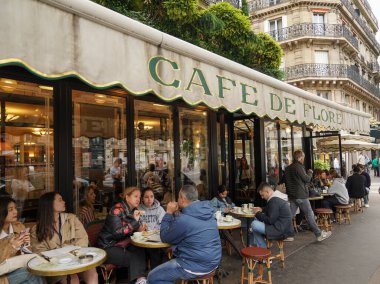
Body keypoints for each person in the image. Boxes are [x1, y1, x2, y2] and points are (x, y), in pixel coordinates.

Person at [147, 185, 221, 283]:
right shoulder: (208, 212)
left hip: (194, 265)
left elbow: (164, 237)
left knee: (152, 277)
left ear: (182, 198)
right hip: (214, 262)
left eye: (178, 197)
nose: (177, 200)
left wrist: (168, 213)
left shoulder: (184, 219)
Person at [30, 192, 98, 284]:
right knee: (72, 279)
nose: (64, 202)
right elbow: (39, 252)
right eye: (60, 200)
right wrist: (60, 259)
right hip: (56, 267)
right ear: (49, 204)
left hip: (76, 260)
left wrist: (74, 256)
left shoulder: (72, 219)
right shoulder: (37, 229)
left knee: (92, 272)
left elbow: (83, 239)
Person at [96, 187, 146, 284]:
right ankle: (138, 280)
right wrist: (135, 222)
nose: (138, 199)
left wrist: (140, 229)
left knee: (140, 249)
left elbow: (132, 230)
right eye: (135, 196)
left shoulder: (134, 210)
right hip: (108, 246)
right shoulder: (116, 210)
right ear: (127, 198)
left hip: (122, 244)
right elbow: (117, 233)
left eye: (139, 197)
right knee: (133, 258)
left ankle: (139, 279)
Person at [284, 150, 331, 242]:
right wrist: (309, 172)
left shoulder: (288, 168)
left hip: (292, 195)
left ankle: (287, 235)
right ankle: (318, 234)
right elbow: (307, 179)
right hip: (301, 195)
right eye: (303, 158)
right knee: (309, 214)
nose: (303, 160)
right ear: (300, 157)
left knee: (289, 216)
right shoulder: (298, 166)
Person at [0, 196, 45, 284]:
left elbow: (26, 254)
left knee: (35, 273)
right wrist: (12, 247)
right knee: (31, 273)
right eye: (10, 209)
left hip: (17, 268)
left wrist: (26, 245)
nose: (15, 212)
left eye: (15, 208)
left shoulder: (19, 226)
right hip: (2, 275)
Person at [249, 183, 293, 247]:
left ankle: (262, 247)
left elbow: (270, 220)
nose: (262, 197)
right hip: (284, 227)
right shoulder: (276, 197)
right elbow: (272, 209)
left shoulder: (274, 201)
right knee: (254, 224)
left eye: (262, 195)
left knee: (254, 224)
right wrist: (261, 209)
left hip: (279, 229)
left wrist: (257, 213)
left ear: (267, 192)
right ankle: (256, 245)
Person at [138, 187, 166, 269]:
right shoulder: (139, 209)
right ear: (142, 198)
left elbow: (164, 224)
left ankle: (154, 272)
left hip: (157, 238)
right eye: (146, 197)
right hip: (143, 239)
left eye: (151, 196)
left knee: (155, 251)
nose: (149, 199)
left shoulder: (160, 210)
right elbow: (138, 225)